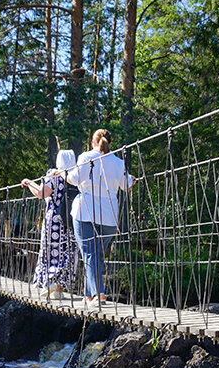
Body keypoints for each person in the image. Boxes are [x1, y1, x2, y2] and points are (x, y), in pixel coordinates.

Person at [66, 129, 136, 302]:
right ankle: (89, 296)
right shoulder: (119, 162)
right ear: (110, 144)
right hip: (109, 215)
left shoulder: (85, 157)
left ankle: (99, 294)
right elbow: (126, 186)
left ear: (93, 143)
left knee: (89, 254)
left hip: (85, 212)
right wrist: (132, 179)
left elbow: (73, 179)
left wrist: (62, 173)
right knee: (97, 255)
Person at [22, 150, 78, 299]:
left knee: (51, 250)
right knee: (68, 252)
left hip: (54, 220)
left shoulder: (54, 174)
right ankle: (59, 289)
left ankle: (49, 282)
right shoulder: (76, 175)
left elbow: (42, 193)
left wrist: (29, 183)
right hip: (74, 219)